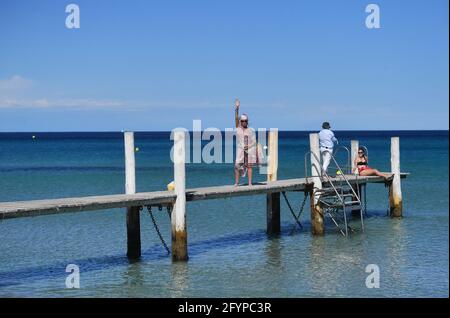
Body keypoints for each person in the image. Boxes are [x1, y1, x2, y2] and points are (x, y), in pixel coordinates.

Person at [234, 99, 256, 186]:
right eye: (242, 121)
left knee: (249, 166)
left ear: (247, 121)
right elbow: (236, 117)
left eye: (245, 121)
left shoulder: (250, 130)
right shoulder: (238, 128)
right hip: (240, 150)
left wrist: (249, 146)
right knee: (236, 166)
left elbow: (254, 141)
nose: (244, 122)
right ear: (240, 121)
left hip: (248, 150)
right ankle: (236, 182)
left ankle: (250, 183)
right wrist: (236, 108)